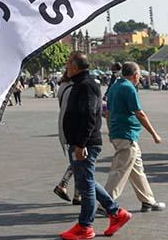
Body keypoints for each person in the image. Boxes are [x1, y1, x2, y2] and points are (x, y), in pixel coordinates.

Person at [60, 51, 131, 240]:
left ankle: (85, 226)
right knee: (87, 181)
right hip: (79, 142)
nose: (66, 66)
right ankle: (116, 213)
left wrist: (81, 143)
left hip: (85, 143)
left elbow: (90, 115)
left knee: (86, 186)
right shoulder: (80, 84)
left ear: (76, 66)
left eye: (68, 63)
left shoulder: (87, 85)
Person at [103, 62, 166, 212]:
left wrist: (111, 131)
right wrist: (154, 134)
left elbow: (108, 112)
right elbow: (139, 113)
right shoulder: (129, 88)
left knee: (137, 168)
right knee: (120, 170)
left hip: (118, 132)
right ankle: (105, 204)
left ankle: (148, 200)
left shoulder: (114, 87)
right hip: (127, 133)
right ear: (136, 75)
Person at [53, 72, 80, 205]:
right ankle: (63, 184)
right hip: (74, 129)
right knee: (79, 161)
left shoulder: (63, 86)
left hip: (65, 126)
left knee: (77, 161)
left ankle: (77, 194)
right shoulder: (73, 88)